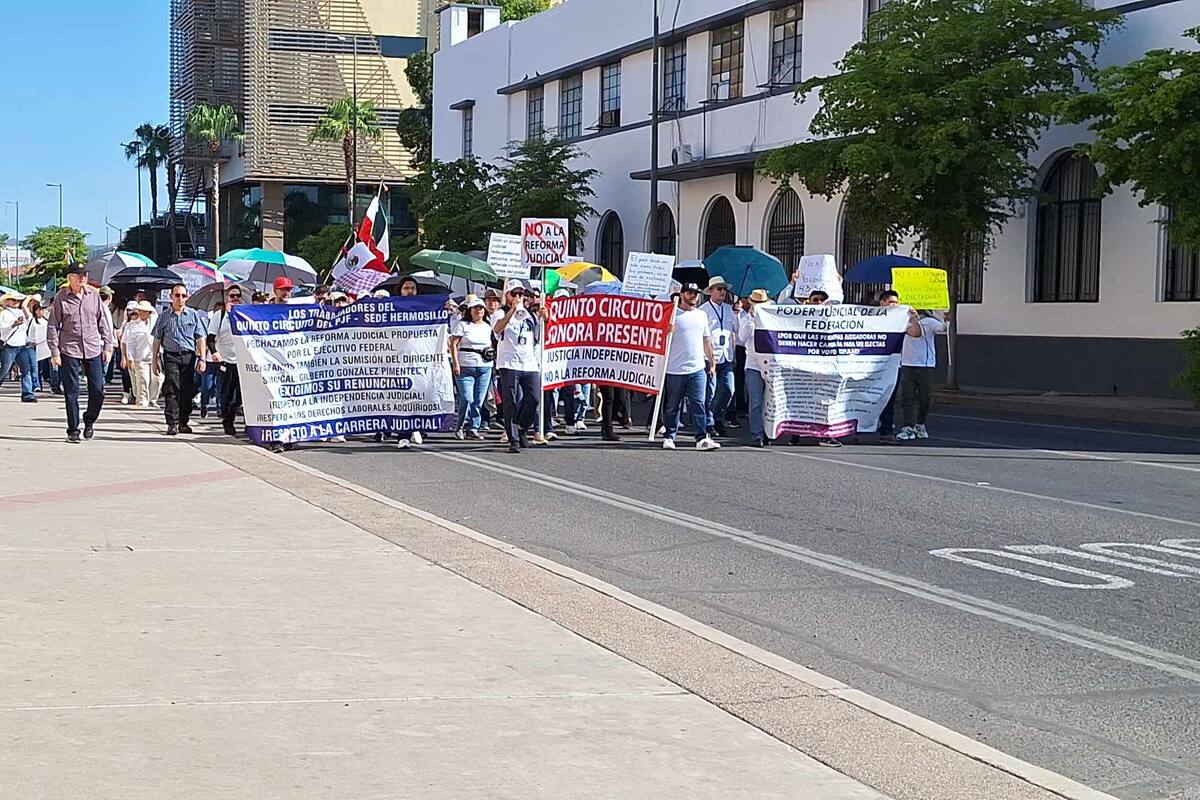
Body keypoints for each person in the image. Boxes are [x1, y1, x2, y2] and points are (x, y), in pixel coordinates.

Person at [46, 262, 113, 443]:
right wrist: (54, 351)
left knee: (98, 389)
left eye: (85, 274)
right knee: (71, 391)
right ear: (70, 278)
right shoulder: (61, 297)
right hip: (69, 349)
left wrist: (108, 346)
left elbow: (103, 322)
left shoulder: (94, 295)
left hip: (92, 348)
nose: (83, 278)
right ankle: (73, 429)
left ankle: (89, 420)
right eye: (78, 275)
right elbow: (53, 325)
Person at [660, 283, 720, 451]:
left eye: (696, 293)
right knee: (673, 405)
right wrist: (667, 331)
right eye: (690, 292)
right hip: (675, 368)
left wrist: (712, 362)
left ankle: (702, 438)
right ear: (682, 294)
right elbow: (658, 337)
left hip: (697, 367)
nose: (693, 295)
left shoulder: (701, 315)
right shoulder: (672, 314)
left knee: (699, 403)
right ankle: (669, 436)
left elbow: (706, 340)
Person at [151, 283, 209, 436]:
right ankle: (172, 422)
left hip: (188, 356)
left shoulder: (193, 315)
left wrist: (202, 359)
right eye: (177, 295)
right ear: (171, 297)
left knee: (186, 389)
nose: (180, 298)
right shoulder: (164, 316)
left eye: (183, 295)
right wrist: (154, 361)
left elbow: (200, 337)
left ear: (187, 297)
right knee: (171, 387)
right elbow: (157, 339)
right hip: (171, 356)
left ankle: (183, 421)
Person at [494, 279, 543, 454]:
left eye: (521, 294)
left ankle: (522, 426)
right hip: (509, 363)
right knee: (511, 401)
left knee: (534, 398)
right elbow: (497, 329)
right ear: (507, 295)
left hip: (528, 363)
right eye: (514, 293)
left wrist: (543, 318)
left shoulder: (529, 314)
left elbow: (537, 337)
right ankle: (513, 438)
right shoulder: (500, 313)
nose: (518, 297)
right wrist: (512, 311)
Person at [897, 308, 949, 442]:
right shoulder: (902, 321)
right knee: (907, 397)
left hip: (925, 365)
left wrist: (945, 318)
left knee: (925, 397)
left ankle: (920, 423)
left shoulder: (930, 322)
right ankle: (908, 426)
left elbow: (942, 327)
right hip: (907, 364)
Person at [449, 298, 495, 440]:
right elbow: (453, 344)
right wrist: (456, 363)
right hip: (465, 366)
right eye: (475, 308)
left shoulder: (487, 326)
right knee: (467, 398)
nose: (478, 310)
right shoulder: (462, 325)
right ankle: (461, 426)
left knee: (479, 400)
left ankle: (474, 428)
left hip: (485, 366)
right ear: (470, 310)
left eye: (481, 308)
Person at [700, 276, 738, 437]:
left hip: (726, 355)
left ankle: (717, 417)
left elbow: (736, 330)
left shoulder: (729, 309)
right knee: (710, 391)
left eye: (724, 289)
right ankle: (709, 423)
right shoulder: (703, 310)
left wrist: (738, 314)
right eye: (719, 289)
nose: (723, 292)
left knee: (729, 389)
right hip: (710, 356)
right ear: (711, 291)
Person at [207, 287, 243, 436]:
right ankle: (227, 420)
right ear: (227, 297)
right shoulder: (220, 315)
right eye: (232, 296)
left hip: (242, 361)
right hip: (226, 360)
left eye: (238, 296)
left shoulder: (244, 313)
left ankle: (232, 415)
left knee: (240, 395)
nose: (235, 298)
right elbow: (210, 337)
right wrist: (214, 352)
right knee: (227, 393)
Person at [738, 289, 772, 447]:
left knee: (769, 401)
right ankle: (757, 434)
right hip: (753, 364)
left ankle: (768, 431)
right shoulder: (746, 318)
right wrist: (751, 319)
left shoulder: (771, 317)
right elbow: (742, 337)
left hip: (770, 364)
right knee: (756, 401)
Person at [0, 291, 37, 403]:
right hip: (10, 345)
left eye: (17, 300)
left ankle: (27, 393)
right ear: (7, 301)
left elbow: (29, 320)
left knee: (26, 370)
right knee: (5, 370)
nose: (16, 302)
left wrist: (26, 303)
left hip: (22, 345)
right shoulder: (4, 313)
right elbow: (2, 329)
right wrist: (13, 325)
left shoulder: (21, 311)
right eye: (13, 300)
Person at [121, 301, 156, 408]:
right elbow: (128, 342)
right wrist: (129, 357)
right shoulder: (132, 325)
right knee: (143, 380)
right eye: (140, 310)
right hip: (140, 357)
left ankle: (152, 399)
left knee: (158, 380)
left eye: (144, 311)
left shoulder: (155, 322)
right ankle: (142, 403)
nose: (141, 313)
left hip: (154, 356)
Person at [198, 299, 223, 419]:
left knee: (220, 385)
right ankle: (204, 405)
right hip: (209, 359)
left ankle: (219, 407)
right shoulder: (207, 322)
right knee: (207, 385)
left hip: (222, 359)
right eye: (216, 310)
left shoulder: (226, 322)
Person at [30, 301, 50, 393]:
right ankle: (36, 385)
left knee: (51, 367)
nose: (41, 311)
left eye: (42, 310)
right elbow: (30, 333)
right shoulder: (32, 321)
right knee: (36, 367)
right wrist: (32, 341)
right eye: (39, 310)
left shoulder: (47, 320)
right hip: (36, 346)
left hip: (47, 346)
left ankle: (54, 384)